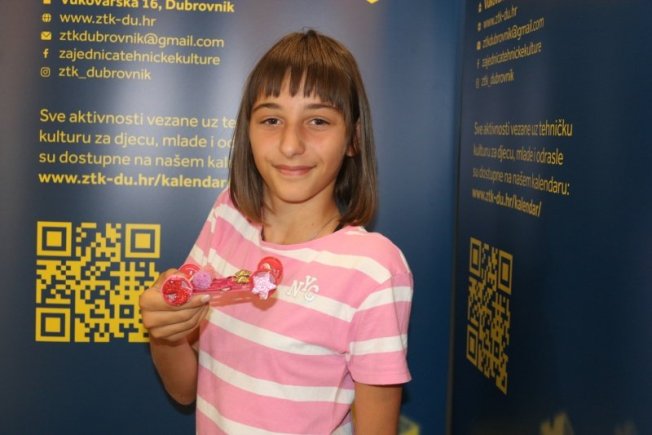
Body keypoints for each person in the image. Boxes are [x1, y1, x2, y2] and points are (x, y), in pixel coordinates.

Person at [140, 29, 413, 434]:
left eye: (318, 121)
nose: (290, 144)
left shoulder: (373, 269)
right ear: (247, 131)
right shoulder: (228, 214)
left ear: (353, 139)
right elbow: (184, 388)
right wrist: (165, 331)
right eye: (271, 120)